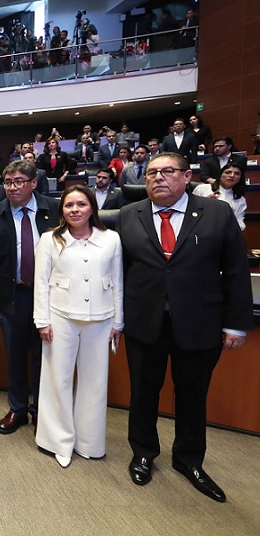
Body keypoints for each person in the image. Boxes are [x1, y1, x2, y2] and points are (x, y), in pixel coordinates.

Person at [118, 153, 252, 502]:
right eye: (151, 173)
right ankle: (143, 452)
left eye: (167, 171)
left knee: (192, 395)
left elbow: (236, 272)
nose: (158, 178)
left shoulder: (217, 213)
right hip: (145, 323)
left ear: (187, 176)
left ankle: (189, 459)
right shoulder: (128, 215)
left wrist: (236, 324)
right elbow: (119, 273)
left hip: (199, 323)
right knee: (143, 393)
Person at [33, 186, 123, 468]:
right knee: (56, 379)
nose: (75, 210)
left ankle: (89, 442)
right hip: (60, 317)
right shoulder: (50, 239)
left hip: (101, 318)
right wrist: (42, 320)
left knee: (94, 382)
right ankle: (58, 441)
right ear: (62, 210)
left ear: (92, 208)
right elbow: (41, 282)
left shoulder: (111, 239)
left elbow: (118, 281)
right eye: (69, 205)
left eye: (81, 204)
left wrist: (118, 322)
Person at [0, 160, 60, 434]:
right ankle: (18, 408)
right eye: (9, 182)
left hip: (49, 298)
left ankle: (40, 412)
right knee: (15, 356)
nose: (12, 187)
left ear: (34, 183)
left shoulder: (54, 210)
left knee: (43, 356)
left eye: (19, 181)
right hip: (11, 298)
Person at [192, 162, 247, 231]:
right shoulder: (202, 189)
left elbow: (240, 222)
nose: (232, 175)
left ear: (240, 179)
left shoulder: (240, 199)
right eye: (228, 172)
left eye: (237, 174)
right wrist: (204, 203)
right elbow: (190, 210)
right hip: (200, 229)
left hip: (225, 233)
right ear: (220, 175)